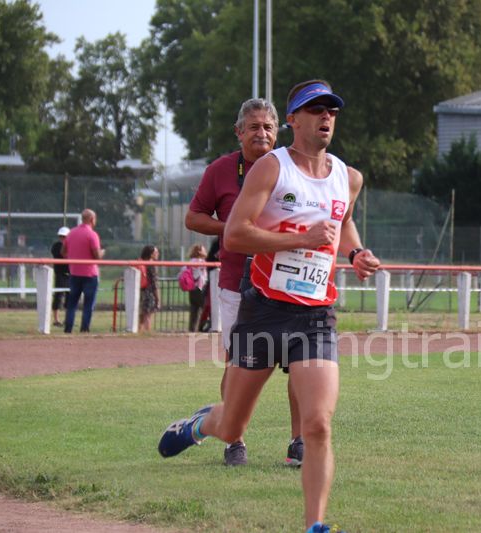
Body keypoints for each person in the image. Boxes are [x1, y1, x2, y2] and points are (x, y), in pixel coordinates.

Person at [159, 79, 380, 532]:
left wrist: (356, 252)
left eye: (332, 111)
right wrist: (299, 239)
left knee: (318, 426)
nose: (326, 117)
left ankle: (315, 525)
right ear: (293, 120)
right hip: (263, 311)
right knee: (232, 425)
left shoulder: (349, 177)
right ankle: (198, 426)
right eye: (315, 110)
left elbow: (343, 222)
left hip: (316, 316)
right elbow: (236, 234)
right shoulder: (271, 169)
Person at [184, 97, 302, 467]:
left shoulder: (295, 167)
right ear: (239, 132)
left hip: (288, 281)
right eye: (253, 127)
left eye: (268, 127)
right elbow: (193, 217)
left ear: (278, 131)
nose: (261, 133)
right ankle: (234, 441)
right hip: (238, 282)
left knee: (301, 365)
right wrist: (233, 228)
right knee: (237, 363)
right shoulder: (220, 170)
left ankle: (298, 442)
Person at [62, 209, 105, 333]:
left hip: (74, 273)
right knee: (88, 304)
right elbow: (97, 255)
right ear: (92, 219)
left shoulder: (71, 233)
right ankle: (84, 328)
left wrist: (73, 256)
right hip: (90, 274)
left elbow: (63, 252)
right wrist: (102, 252)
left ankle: (68, 328)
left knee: (72, 304)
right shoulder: (92, 235)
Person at [184, 243, 208, 332]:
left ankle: (192, 328)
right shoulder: (200, 261)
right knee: (203, 307)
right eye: (203, 250)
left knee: (194, 308)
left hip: (192, 287)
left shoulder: (191, 261)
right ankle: (201, 327)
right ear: (199, 251)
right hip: (199, 287)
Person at [50, 226, 70, 326]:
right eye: (61, 236)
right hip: (60, 274)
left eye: (64, 236)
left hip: (70, 274)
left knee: (70, 296)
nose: (62, 238)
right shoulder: (56, 246)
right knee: (58, 296)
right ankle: (56, 319)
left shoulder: (71, 246)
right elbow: (62, 254)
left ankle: (68, 318)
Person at [138, 245, 160, 332]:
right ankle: (147, 332)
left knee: (142, 315)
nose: (158, 254)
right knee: (148, 315)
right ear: (151, 254)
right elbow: (154, 283)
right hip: (149, 293)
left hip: (142, 291)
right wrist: (158, 298)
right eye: (156, 252)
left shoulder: (142, 263)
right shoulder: (151, 265)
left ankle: (139, 331)